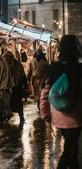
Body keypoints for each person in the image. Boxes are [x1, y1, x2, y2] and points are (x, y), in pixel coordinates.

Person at [39, 35, 82, 169]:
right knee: (69, 150)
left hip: (58, 116)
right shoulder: (79, 68)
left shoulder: (54, 67)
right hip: (76, 117)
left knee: (72, 149)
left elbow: (45, 92)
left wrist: (45, 113)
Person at [4, 51, 28, 123]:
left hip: (17, 87)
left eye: (7, 57)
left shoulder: (17, 65)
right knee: (9, 102)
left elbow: (22, 75)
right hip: (10, 87)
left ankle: (21, 116)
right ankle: (8, 116)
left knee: (18, 102)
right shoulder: (7, 65)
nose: (6, 59)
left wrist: (24, 84)